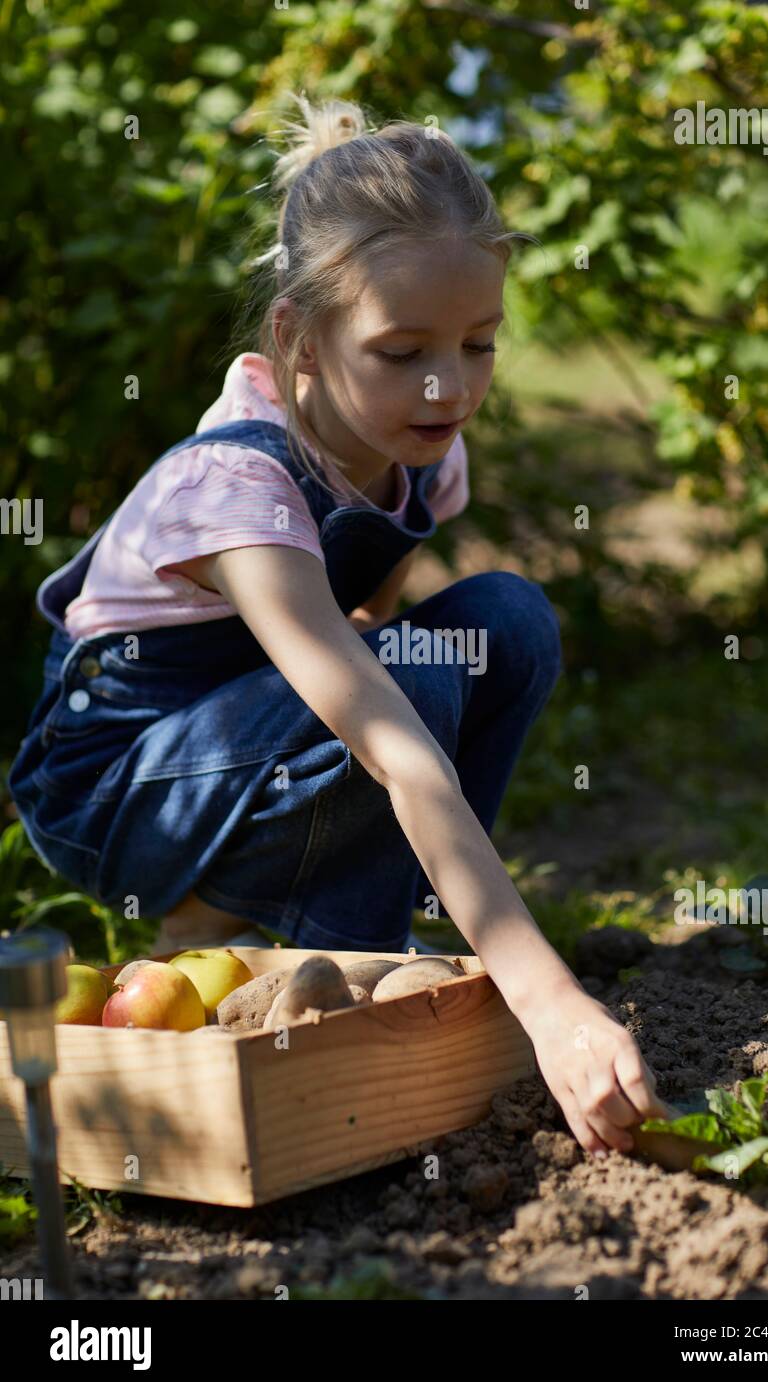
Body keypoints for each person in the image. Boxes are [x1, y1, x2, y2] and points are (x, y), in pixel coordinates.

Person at [8, 93, 670, 1155]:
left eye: (478, 343)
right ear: (298, 337)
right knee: (410, 682)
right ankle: (255, 934)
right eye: (402, 349)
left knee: (504, 618)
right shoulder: (238, 487)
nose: (448, 384)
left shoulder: (422, 447)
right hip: (116, 783)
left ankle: (340, 943)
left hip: (245, 742)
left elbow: (368, 626)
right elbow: (392, 742)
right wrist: (548, 996)